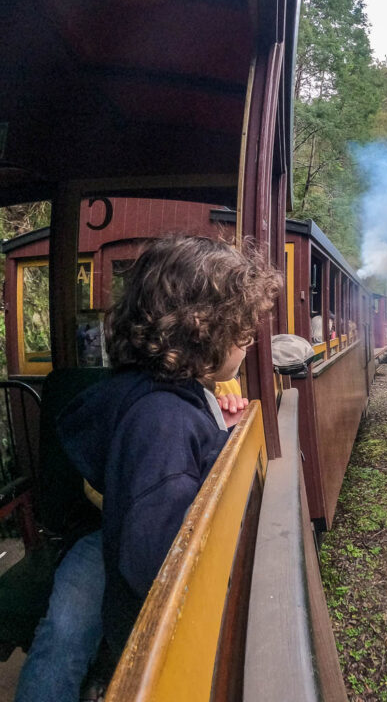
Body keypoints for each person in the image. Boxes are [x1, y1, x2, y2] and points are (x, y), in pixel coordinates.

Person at [44, 236, 278, 685]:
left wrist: (214, 434)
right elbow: (160, 566)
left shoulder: (163, 396)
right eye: (243, 329)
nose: (249, 341)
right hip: (154, 658)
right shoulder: (161, 422)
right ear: (200, 325)